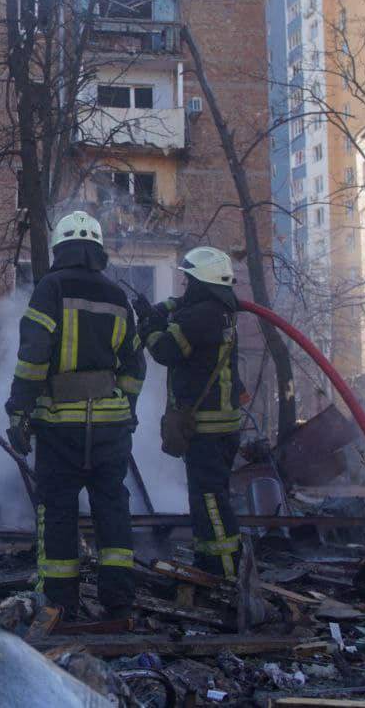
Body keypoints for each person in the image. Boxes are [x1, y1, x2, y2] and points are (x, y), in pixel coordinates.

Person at [5, 210, 145, 618]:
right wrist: (128, 410)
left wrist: (19, 411)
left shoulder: (51, 287)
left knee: (58, 510)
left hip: (60, 428)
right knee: (113, 509)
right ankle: (118, 601)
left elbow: (33, 357)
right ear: (97, 251)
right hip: (109, 430)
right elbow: (135, 367)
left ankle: (60, 602)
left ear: (61, 249)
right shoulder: (118, 296)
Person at [138, 247, 247, 579]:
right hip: (222, 425)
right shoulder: (221, 310)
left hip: (206, 428)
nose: (185, 287)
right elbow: (183, 307)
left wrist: (149, 323)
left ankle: (226, 572)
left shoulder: (199, 317)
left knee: (210, 500)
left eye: (190, 281)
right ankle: (208, 561)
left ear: (203, 283)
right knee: (206, 499)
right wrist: (163, 308)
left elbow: (164, 351)